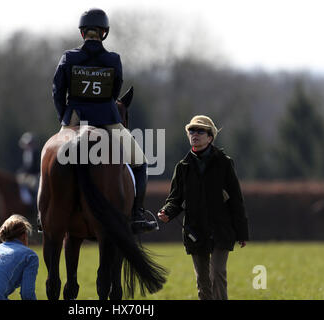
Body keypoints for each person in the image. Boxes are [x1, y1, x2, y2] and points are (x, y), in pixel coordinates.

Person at [52, 8, 157, 234]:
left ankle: (46, 213)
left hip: (74, 119)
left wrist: (65, 117)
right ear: (104, 33)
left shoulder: (68, 58)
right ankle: (137, 214)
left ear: (82, 33)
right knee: (140, 162)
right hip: (107, 120)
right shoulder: (113, 59)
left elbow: (57, 91)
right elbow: (114, 92)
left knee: (50, 160)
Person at [157, 115, 249, 300]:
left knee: (217, 275)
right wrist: (167, 211)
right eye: (191, 130)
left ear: (210, 137)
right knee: (203, 282)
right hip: (195, 230)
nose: (195, 134)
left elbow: (236, 200)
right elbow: (175, 198)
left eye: (200, 131)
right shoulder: (182, 167)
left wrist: (242, 232)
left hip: (221, 229)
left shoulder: (224, 163)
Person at [16, 132, 40, 207]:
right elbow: (25, 166)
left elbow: (33, 166)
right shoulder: (26, 153)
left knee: (34, 185)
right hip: (28, 174)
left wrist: (26, 172)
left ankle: (34, 203)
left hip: (35, 175)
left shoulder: (35, 152)